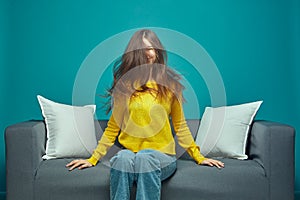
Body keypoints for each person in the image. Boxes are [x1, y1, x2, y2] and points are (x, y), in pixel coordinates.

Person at [66, 29, 224, 200]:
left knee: (144, 158)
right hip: (132, 156)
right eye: (143, 49)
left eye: (152, 48)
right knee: (121, 158)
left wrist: (199, 157)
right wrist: (93, 158)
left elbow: (180, 126)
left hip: (162, 157)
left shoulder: (170, 85)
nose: (149, 53)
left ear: (157, 52)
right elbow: (113, 127)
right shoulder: (125, 86)